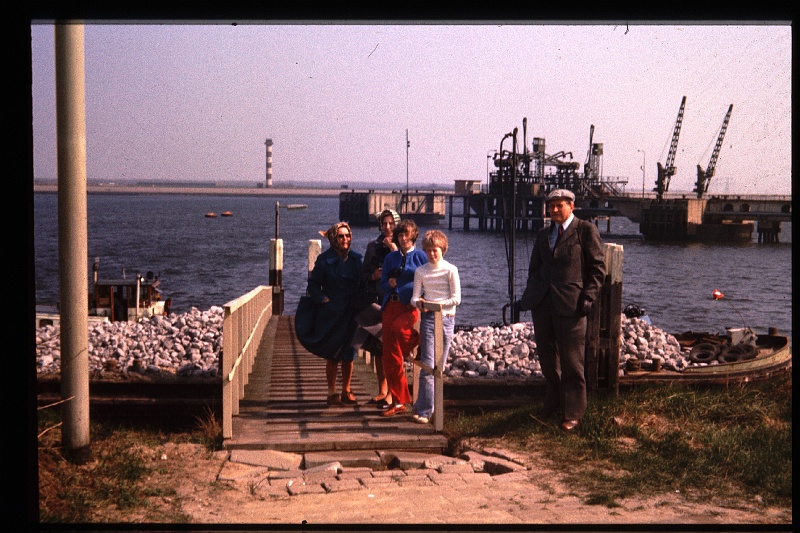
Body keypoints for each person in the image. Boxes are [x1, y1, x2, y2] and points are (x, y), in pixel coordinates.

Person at [520, 189, 606, 432]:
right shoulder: (543, 234)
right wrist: (532, 294)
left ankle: (574, 413)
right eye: (551, 206)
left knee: (572, 362)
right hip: (543, 304)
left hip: (572, 305)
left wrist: (588, 297)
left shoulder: (585, 231)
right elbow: (534, 269)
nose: (555, 210)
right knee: (548, 360)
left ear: (572, 206)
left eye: (560, 205)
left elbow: (598, 268)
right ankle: (554, 403)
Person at [297, 221, 363, 406]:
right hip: (332, 313)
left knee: (349, 354)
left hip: (351, 313)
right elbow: (313, 285)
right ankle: (332, 392)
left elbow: (362, 283)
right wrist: (323, 300)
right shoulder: (324, 260)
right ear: (334, 238)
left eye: (347, 236)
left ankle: (346, 390)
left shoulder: (356, 259)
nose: (345, 239)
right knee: (332, 354)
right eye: (341, 236)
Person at [410, 230, 461, 424]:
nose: (432, 254)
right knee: (428, 366)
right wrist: (421, 303)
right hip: (428, 320)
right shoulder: (421, 271)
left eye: (435, 250)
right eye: (429, 250)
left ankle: (422, 406)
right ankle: (425, 411)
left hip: (446, 319)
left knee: (440, 365)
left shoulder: (451, 270)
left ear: (443, 250)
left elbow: (456, 299)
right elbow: (414, 298)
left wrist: (437, 305)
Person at [378, 219, 427, 417]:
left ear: (413, 236)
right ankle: (399, 401)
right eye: (400, 235)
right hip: (390, 306)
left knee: (399, 330)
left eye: (406, 234)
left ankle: (419, 341)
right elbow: (382, 284)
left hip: (409, 307)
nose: (403, 238)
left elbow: (429, 280)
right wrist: (388, 283)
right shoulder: (391, 257)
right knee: (390, 356)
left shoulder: (421, 256)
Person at [359, 209, 399, 409]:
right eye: (384, 223)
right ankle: (382, 390)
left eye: (391, 223)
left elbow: (410, 272)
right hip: (376, 303)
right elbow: (363, 275)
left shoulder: (403, 246)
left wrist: (393, 249)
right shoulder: (372, 247)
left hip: (395, 304)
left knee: (391, 350)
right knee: (377, 349)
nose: (387, 227)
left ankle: (393, 393)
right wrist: (374, 276)